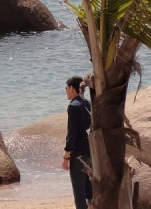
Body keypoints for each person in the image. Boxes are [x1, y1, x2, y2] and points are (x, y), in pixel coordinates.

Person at [62, 76, 93, 209]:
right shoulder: (88, 104)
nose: (65, 91)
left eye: (66, 88)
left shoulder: (73, 106)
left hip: (79, 155)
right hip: (91, 152)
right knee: (90, 190)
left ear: (72, 88)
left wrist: (66, 156)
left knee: (79, 192)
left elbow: (72, 133)